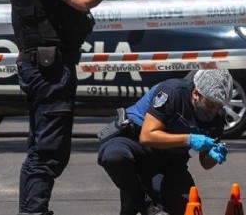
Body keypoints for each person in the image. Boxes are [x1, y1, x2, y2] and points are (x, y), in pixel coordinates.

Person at [6, 0, 121, 215]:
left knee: (45, 149)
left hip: (45, 65)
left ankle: (33, 211)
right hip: (47, 69)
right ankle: (33, 212)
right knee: (47, 151)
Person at [98, 69, 233, 215]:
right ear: (196, 93)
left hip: (169, 161)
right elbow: (147, 136)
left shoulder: (217, 117)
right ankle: (144, 204)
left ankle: (136, 200)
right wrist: (189, 139)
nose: (214, 111)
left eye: (219, 106)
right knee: (113, 155)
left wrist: (213, 156)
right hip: (137, 145)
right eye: (210, 105)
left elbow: (205, 163)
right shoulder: (172, 92)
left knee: (188, 208)